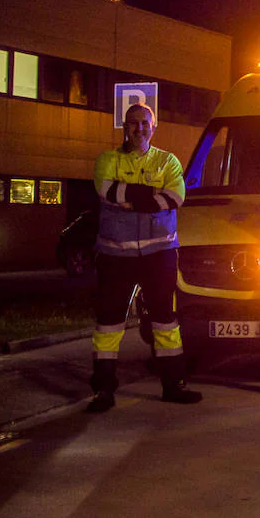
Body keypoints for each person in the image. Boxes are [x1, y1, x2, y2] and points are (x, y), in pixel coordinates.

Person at [87, 103, 202, 412]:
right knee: (109, 323)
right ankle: (103, 391)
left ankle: (173, 385)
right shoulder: (107, 159)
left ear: (155, 127)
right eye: (133, 123)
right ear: (125, 127)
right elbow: (105, 191)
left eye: (145, 123)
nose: (140, 128)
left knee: (165, 321)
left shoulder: (168, 161)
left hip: (159, 255)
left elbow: (175, 197)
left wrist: (129, 197)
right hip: (115, 254)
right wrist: (151, 196)